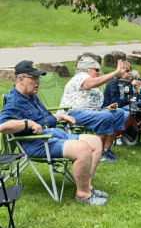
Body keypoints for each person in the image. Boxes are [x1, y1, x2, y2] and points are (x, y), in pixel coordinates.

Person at [0, 61, 108, 205]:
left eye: (38, 78)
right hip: (38, 142)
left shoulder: (30, 95)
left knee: (95, 142)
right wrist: (28, 123)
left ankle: (86, 185)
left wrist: (61, 116)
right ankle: (82, 195)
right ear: (21, 79)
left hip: (55, 134)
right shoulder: (14, 100)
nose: (38, 82)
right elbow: (3, 126)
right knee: (82, 149)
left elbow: (43, 118)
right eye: (34, 78)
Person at [58, 56, 131, 162]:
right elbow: (92, 83)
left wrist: (107, 107)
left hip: (91, 112)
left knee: (119, 113)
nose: (98, 72)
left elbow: (95, 106)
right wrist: (115, 73)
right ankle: (98, 152)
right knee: (105, 116)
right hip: (73, 113)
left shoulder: (93, 86)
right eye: (96, 69)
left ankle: (106, 149)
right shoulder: (80, 76)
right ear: (86, 70)